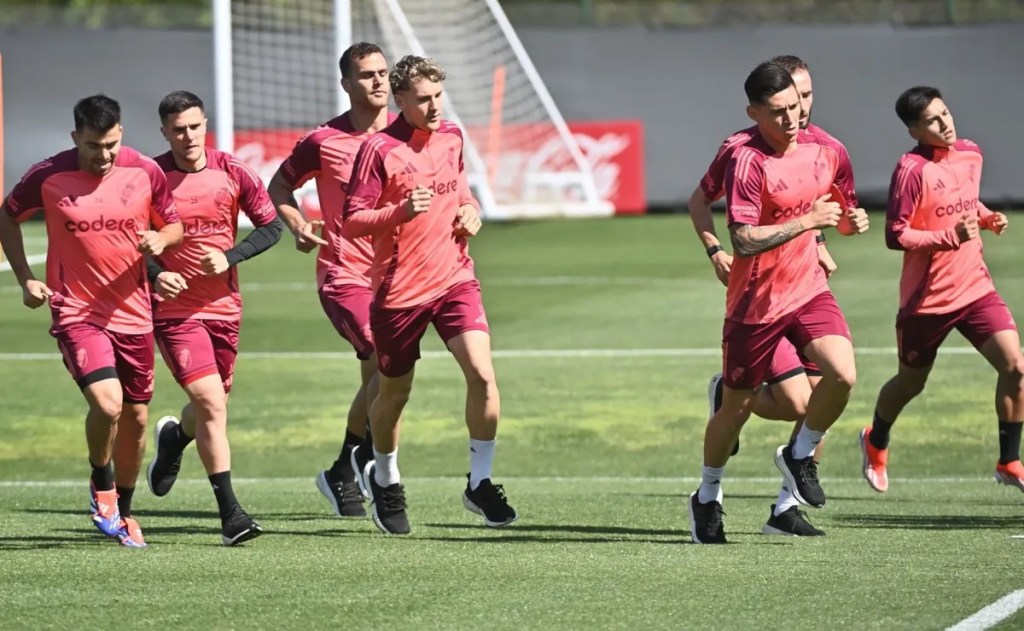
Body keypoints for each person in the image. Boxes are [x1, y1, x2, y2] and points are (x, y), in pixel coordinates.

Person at [686, 61, 869, 544]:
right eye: (782, 109)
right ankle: (707, 496)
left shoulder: (829, 150)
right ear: (754, 112)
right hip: (755, 303)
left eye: (801, 101)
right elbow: (743, 238)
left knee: (841, 376)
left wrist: (842, 230)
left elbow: (840, 213)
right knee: (741, 409)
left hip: (808, 291)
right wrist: (715, 250)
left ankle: (795, 471)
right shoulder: (744, 157)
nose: (795, 115)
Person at [341, 54, 515, 535]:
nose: (434, 107)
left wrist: (472, 211)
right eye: (423, 99)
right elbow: (352, 221)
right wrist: (398, 211)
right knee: (394, 392)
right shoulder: (379, 150)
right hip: (399, 292)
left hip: (455, 277)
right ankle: (386, 477)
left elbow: (461, 191)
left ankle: (479, 482)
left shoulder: (453, 137)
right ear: (400, 101)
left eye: (438, 96)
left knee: (482, 373)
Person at [0, 95, 182, 548]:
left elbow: (174, 225)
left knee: (137, 420)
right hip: (77, 311)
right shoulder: (47, 175)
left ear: (121, 134)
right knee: (107, 404)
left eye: (111, 145)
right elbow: (7, 215)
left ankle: (123, 510)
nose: (103, 156)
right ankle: (101, 484)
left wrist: (160, 237)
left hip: (135, 314)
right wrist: (26, 279)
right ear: (75, 138)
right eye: (93, 146)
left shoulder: (144, 170)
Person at [860, 86, 1023, 493]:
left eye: (945, 113)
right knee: (911, 384)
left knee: (1016, 367)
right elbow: (896, 235)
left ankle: (1009, 460)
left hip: (975, 288)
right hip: (927, 301)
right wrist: (950, 236)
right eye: (932, 120)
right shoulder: (911, 170)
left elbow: (965, 201)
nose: (944, 123)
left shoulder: (971, 153)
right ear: (915, 130)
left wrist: (986, 217)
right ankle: (876, 439)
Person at [144, 90, 282, 545]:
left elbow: (272, 226)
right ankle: (232, 515)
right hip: (175, 311)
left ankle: (173, 438)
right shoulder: (149, 178)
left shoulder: (233, 171)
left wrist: (231, 255)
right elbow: (126, 240)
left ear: (207, 125)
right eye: (178, 129)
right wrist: (158, 274)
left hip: (223, 308)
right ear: (165, 132)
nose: (187, 136)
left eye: (194, 126)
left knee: (212, 403)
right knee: (212, 403)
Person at [267, 42, 394, 518]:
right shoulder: (324, 141)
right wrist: (297, 223)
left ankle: (344, 466)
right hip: (344, 274)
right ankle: (368, 465)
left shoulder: (408, 139)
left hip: (398, 277)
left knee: (381, 377)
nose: (378, 81)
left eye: (383, 72)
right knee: (387, 361)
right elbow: (278, 186)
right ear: (346, 84)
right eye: (366, 74)